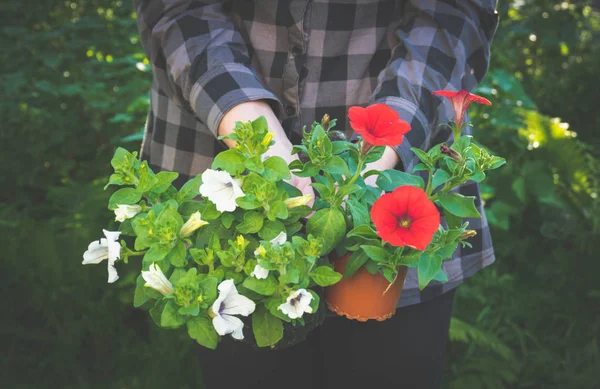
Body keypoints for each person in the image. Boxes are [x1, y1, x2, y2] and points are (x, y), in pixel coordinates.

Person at [134, 1, 499, 388]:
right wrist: (251, 129)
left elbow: (452, 14)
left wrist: (375, 160)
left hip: (401, 154)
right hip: (216, 147)